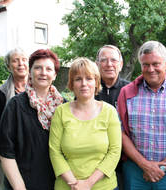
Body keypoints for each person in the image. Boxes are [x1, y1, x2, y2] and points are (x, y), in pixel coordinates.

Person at [117, 41, 166, 190]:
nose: (150, 69)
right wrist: (144, 164)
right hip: (135, 169)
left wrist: (162, 167)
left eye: (156, 64)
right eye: (145, 65)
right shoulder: (127, 93)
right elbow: (121, 133)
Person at [0, 49, 63, 190]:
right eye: (38, 68)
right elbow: (5, 150)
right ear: (30, 72)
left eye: (48, 69)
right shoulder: (15, 105)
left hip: (57, 184)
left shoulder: (63, 107)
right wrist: (20, 187)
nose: (43, 72)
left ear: (54, 75)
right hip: (23, 183)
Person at [49, 57, 121, 190]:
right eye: (78, 79)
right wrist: (74, 184)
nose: (84, 83)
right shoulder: (61, 112)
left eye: (89, 78)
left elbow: (115, 151)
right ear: (71, 83)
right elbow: (55, 151)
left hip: (104, 186)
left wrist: (88, 184)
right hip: (67, 186)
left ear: (96, 82)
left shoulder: (109, 112)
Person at [0, 48, 28, 190]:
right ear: (9, 66)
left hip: (31, 157)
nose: (21, 64)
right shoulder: (0, 94)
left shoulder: (40, 90)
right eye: (15, 61)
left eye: (24, 60)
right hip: (5, 158)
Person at [95, 45, 129, 190]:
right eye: (104, 60)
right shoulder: (89, 90)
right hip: (95, 162)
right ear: (97, 65)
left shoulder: (130, 90)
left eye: (113, 60)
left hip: (124, 161)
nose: (109, 64)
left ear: (120, 64)